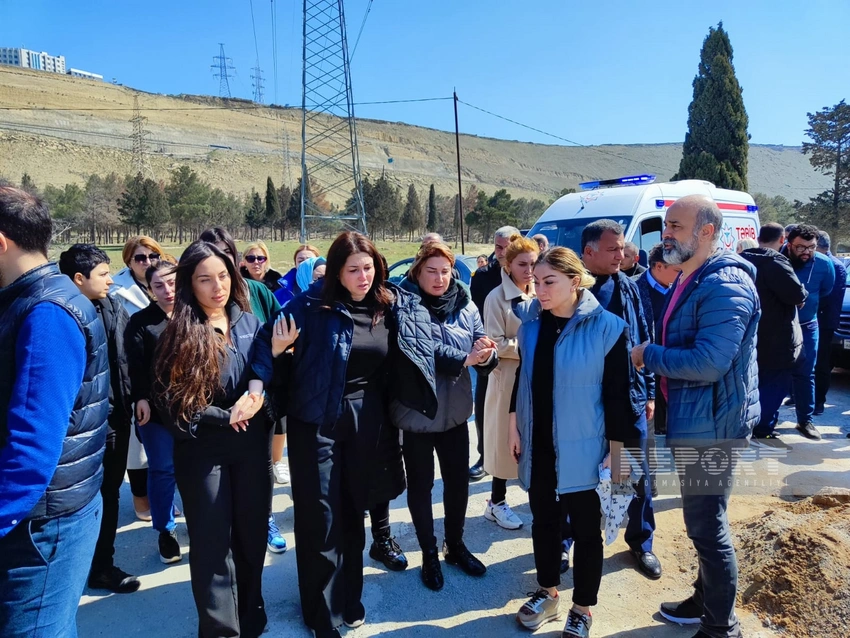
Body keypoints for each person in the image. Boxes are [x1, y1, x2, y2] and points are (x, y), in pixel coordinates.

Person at [253, 231, 438, 638]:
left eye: (368, 268)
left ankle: (349, 597)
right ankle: (320, 613)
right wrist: (278, 353)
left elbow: (425, 342)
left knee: (355, 510)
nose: (362, 277)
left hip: (368, 419)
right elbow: (265, 345)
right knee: (320, 515)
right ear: (337, 271)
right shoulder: (309, 304)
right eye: (353, 270)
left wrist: (472, 357)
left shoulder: (390, 304)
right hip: (316, 419)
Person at [631, 194, 760, 638]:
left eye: (676, 227)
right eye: (666, 225)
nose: (666, 234)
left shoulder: (725, 284)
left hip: (714, 427)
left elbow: (709, 362)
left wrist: (648, 355)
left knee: (707, 527)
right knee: (703, 520)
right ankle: (704, 602)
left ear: (707, 232)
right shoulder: (693, 275)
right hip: (699, 418)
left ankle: (721, 627)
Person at [0, 186, 109, 636]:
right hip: (37, 516)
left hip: (41, 527)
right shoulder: (27, 298)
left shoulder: (48, 313)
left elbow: (31, 449)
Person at [509, 247, 634, 638]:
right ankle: (548, 592)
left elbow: (619, 396)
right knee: (544, 523)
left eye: (549, 282)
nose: (540, 290)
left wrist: (618, 454)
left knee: (586, 531)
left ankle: (582, 608)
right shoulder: (531, 327)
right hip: (539, 446)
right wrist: (514, 424)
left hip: (586, 449)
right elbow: (523, 381)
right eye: (536, 282)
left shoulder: (608, 328)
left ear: (575, 282)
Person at [153, 241, 270, 638]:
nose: (217, 287)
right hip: (203, 451)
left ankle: (250, 612)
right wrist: (226, 416)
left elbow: (264, 373)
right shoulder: (177, 333)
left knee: (251, 535)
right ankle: (220, 628)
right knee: (211, 543)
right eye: (205, 279)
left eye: (222, 276)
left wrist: (258, 396)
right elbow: (173, 405)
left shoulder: (249, 323)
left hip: (250, 448)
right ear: (190, 283)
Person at [397, 241, 497, 591]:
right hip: (417, 413)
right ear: (417, 271)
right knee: (421, 485)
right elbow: (420, 347)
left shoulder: (465, 303)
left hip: (455, 412)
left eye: (445, 271)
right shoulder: (404, 303)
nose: (439, 278)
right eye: (431, 271)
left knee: (457, 482)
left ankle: (454, 545)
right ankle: (428, 552)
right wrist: (464, 358)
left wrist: (486, 353)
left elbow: (480, 339)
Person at [577, 219, 660, 580]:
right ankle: (567, 539)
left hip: (628, 400)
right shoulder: (572, 288)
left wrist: (650, 391)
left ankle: (640, 541)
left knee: (632, 474)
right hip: (584, 404)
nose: (621, 255)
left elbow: (645, 338)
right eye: (612, 249)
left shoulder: (630, 287)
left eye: (622, 248)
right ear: (588, 252)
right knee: (578, 477)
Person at [198, 227, 286, 552]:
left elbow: (278, 330)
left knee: (261, 468)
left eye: (226, 254)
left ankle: (265, 519)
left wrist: (257, 389)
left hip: (258, 400)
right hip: (214, 414)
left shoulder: (256, 292)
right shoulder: (193, 309)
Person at [58, 244, 140, 594]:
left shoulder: (112, 306)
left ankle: (102, 566)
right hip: (78, 429)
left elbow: (128, 358)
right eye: (103, 274)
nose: (111, 280)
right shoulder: (58, 315)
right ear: (79, 278)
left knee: (109, 494)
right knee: (75, 502)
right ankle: (68, 572)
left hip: (115, 420)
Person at [125, 261, 183, 564]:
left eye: (171, 283)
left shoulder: (195, 314)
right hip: (156, 411)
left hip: (196, 408)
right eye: (158, 285)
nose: (167, 290)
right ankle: (165, 530)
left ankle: (203, 522)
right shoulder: (140, 322)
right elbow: (134, 367)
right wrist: (141, 398)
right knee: (162, 469)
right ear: (149, 289)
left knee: (198, 469)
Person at [481, 233, 537, 530]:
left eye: (533, 263)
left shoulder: (539, 292)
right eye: (522, 264)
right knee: (504, 442)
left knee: (534, 438)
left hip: (535, 377)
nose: (529, 270)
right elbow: (495, 341)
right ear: (509, 265)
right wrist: (529, 347)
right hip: (508, 377)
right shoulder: (496, 298)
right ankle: (496, 502)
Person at [740, 223, 807, 449]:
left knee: (752, 384)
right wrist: (802, 293)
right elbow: (796, 294)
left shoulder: (741, 260)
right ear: (782, 240)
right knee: (775, 385)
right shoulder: (777, 262)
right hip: (777, 338)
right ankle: (763, 430)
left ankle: (751, 425)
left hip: (749, 335)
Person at [111, 235, 160, 520]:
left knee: (163, 444)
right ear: (128, 261)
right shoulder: (117, 290)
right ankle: (141, 498)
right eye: (140, 258)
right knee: (137, 446)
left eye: (153, 256)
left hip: (165, 376)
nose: (148, 262)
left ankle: (161, 496)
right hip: (133, 373)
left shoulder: (169, 281)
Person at [469, 225, 520, 481]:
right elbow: (477, 313)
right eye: (497, 247)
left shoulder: (527, 273)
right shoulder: (483, 276)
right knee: (486, 409)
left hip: (518, 359)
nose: (500, 252)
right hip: (489, 350)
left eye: (505, 247)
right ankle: (484, 456)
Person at [781, 224, 835, 440]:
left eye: (811, 247)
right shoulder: (777, 260)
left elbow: (826, 291)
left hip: (807, 326)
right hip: (779, 327)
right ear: (789, 244)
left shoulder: (824, 264)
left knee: (806, 374)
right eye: (801, 247)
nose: (806, 252)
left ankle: (805, 420)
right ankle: (765, 422)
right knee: (774, 373)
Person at [814, 230, 847, 415]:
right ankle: (800, 396)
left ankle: (819, 401)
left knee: (822, 363)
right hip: (815, 319)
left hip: (824, 323)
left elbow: (828, 297)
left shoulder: (834, 265)